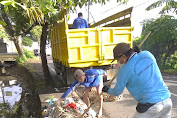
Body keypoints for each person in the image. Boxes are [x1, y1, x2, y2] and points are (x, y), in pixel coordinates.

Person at [102, 43, 172, 118]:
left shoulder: (124, 70)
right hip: (167, 101)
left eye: (118, 59)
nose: (119, 62)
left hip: (151, 106)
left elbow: (117, 92)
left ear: (123, 56)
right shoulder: (147, 54)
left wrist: (107, 90)